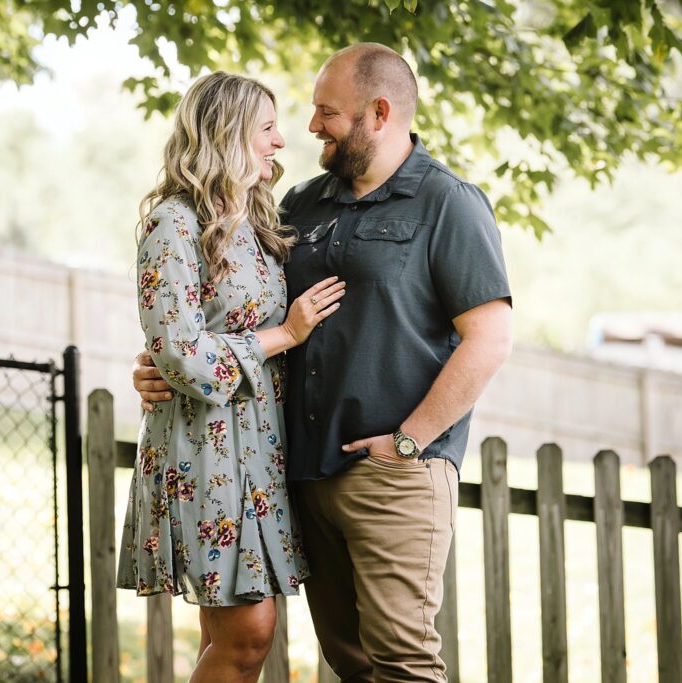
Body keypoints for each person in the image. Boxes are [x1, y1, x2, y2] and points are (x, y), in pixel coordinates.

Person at [135, 44, 513, 682]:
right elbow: (215, 312)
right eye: (300, 115)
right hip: (300, 473)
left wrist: (409, 442)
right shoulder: (297, 208)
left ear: (379, 113)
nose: (307, 129)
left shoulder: (447, 203)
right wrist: (158, 366)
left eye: (326, 113)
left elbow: (490, 338)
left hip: (392, 473)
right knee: (349, 662)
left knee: (404, 663)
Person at [115, 71, 346, 683]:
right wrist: (286, 335)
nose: (280, 142)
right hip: (203, 454)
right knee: (249, 634)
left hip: (261, 454)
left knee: (230, 637)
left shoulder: (259, 223)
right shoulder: (173, 222)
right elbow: (181, 353)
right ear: (227, 133)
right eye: (266, 128)